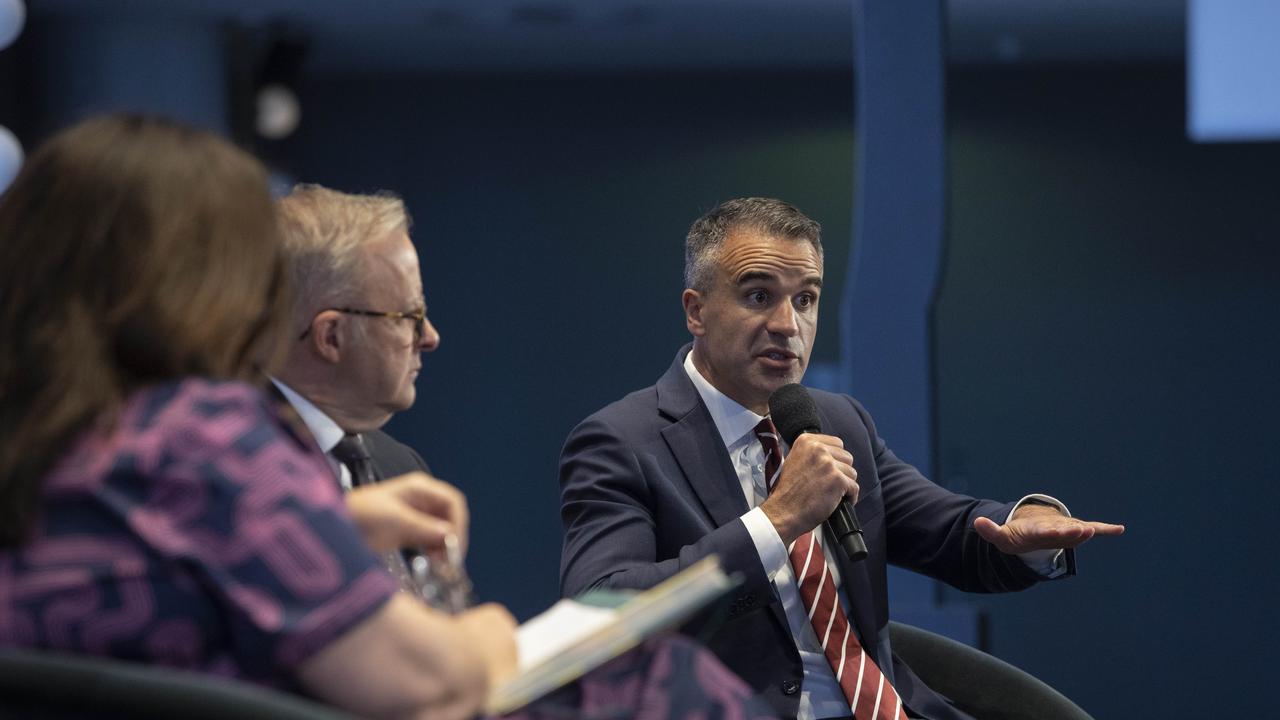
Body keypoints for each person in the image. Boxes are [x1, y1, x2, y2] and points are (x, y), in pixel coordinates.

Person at [0, 114, 515, 720]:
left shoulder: (47, 427)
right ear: (199, 277)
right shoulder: (199, 436)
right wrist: (494, 638)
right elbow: (426, 686)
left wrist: (335, 523)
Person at [557, 197, 1125, 720]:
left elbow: (952, 530)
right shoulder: (623, 442)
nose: (788, 325)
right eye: (759, 296)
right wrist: (776, 521)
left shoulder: (837, 421)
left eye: (805, 299)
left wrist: (1024, 527)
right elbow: (604, 617)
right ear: (697, 310)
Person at [272, 183, 779, 720]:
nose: (431, 337)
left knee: (666, 669)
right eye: (409, 317)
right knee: (670, 681)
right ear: (330, 338)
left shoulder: (396, 465)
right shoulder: (244, 476)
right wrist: (486, 640)